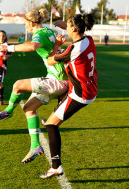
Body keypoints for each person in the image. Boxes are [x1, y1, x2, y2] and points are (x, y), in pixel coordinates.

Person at [0, 8, 68, 164]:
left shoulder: (39, 34)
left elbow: (33, 46)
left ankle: (8, 111)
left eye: (25, 24)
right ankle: (35, 147)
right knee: (28, 109)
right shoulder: (48, 30)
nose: (25, 26)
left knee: (17, 85)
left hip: (57, 79)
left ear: (31, 23)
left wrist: (9, 47)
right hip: (59, 77)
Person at [39, 14, 97, 179]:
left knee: (51, 124)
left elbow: (50, 60)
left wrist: (57, 44)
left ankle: (56, 167)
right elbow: (78, 33)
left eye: (69, 25)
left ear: (74, 28)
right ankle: (57, 112)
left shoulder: (73, 50)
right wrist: (66, 25)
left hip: (80, 94)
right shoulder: (89, 40)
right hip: (90, 87)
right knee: (63, 94)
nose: (66, 27)